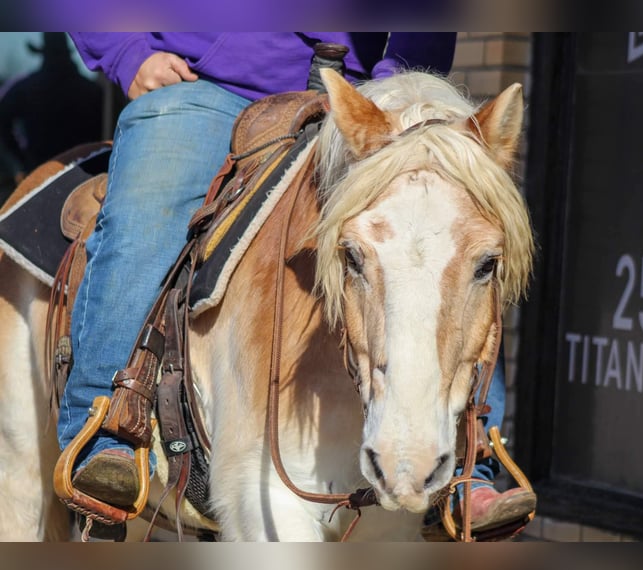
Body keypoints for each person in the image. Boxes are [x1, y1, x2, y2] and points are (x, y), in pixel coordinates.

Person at [58, 32, 533, 537]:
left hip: (370, 93)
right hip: (206, 86)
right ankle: (107, 429)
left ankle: (472, 459)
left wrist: (394, 86)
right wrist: (127, 51)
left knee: (457, 245)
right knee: (144, 223)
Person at [0, 33, 103, 187]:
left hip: (38, 175)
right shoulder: (92, 91)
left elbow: (3, 124)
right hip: (86, 175)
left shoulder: (26, 88)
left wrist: (21, 162)